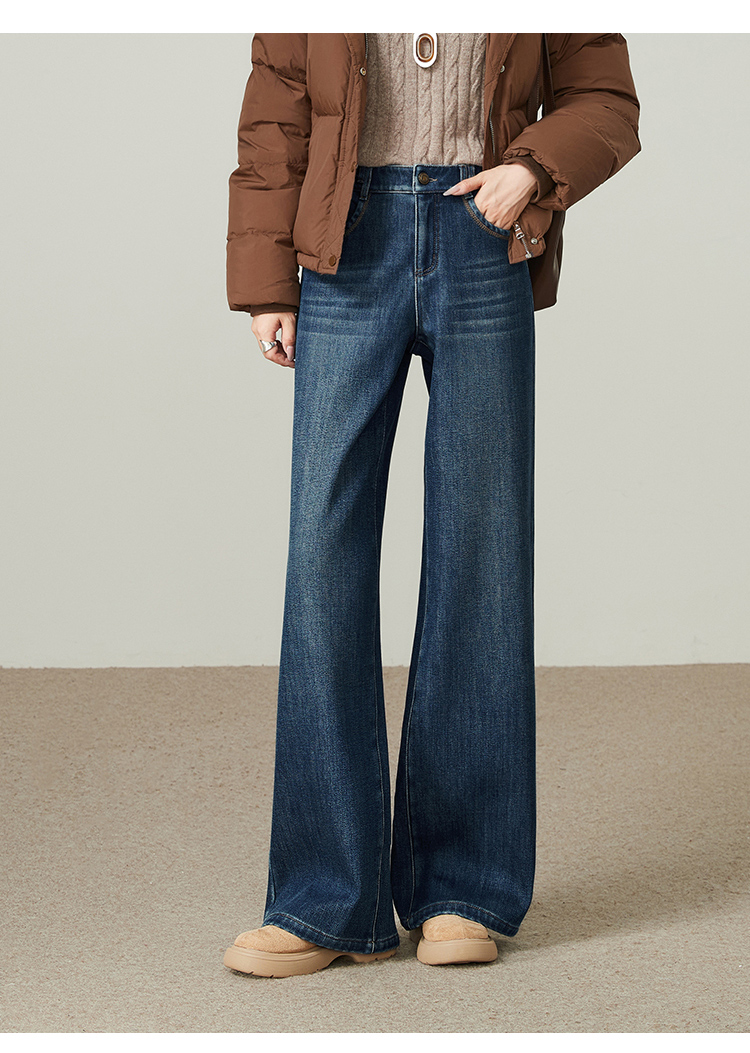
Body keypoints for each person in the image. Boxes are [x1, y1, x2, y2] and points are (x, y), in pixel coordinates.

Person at [222, 32, 641, 978]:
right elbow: (275, 115)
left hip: (481, 235)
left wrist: (532, 169)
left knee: (481, 554)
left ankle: (464, 887)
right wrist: (264, 284)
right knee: (322, 554)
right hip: (344, 242)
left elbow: (606, 98)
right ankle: (323, 897)